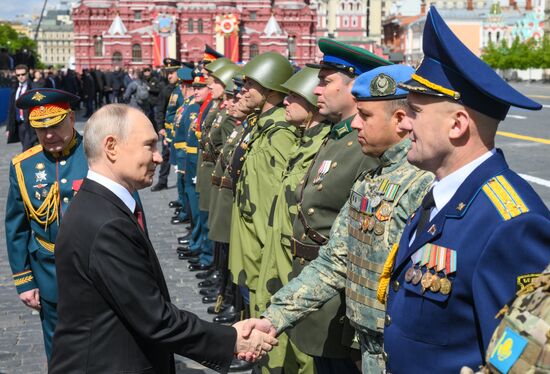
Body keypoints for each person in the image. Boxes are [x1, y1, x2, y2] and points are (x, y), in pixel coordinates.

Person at [380, 7, 550, 373]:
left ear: (457, 124)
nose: (404, 123)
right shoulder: (442, 195)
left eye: (414, 111)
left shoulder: (511, 224)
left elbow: (521, 360)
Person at [49, 104, 277, 373]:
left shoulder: (98, 205)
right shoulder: (106, 222)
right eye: (149, 146)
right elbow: (154, 317)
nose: (159, 158)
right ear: (111, 147)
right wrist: (232, 340)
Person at [247, 64, 434, 373]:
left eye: (366, 116)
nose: (356, 124)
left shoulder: (422, 184)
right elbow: (334, 261)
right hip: (371, 351)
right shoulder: (372, 179)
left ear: (400, 120)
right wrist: (274, 318)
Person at [260, 38, 386, 373]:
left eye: (326, 81)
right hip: (314, 288)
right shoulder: (336, 137)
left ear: (354, 85)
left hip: (339, 302)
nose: (316, 90)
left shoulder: (364, 148)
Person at [254, 66, 329, 374]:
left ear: (312, 104)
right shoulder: (303, 141)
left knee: (303, 352)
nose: (285, 101)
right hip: (279, 252)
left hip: (301, 262)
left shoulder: (323, 147)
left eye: (293, 97)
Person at [5, 88, 86, 360]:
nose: (49, 135)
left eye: (55, 125)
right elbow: (16, 228)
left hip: (96, 268)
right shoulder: (23, 166)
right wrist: (24, 281)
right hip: (50, 272)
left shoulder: (96, 155)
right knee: (59, 349)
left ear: (71, 118)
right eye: (41, 129)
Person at [6, 64, 36, 150]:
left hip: (31, 125)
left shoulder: (33, 88)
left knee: (27, 149)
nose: (21, 77)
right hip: (19, 124)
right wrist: (9, 128)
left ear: (27, 74)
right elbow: (11, 110)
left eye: (23, 74)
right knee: (26, 146)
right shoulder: (15, 89)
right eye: (18, 75)